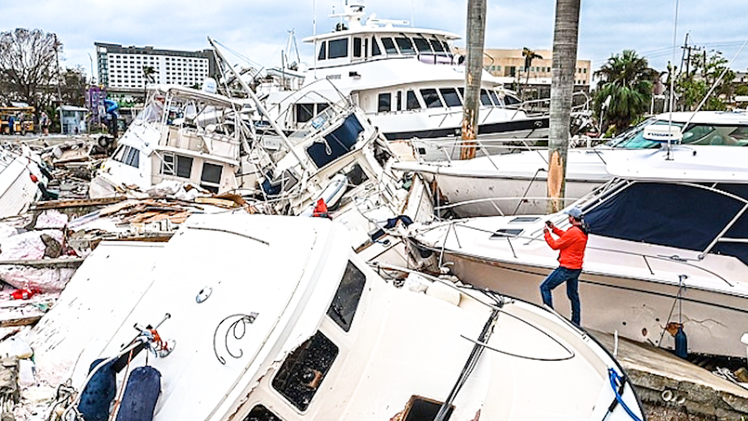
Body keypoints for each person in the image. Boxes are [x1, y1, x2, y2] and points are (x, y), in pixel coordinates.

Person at [540, 207, 589, 326]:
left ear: (572, 218)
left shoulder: (574, 232)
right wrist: (554, 229)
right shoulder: (581, 230)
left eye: (568, 216)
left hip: (567, 268)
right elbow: (566, 236)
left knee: (545, 287)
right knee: (573, 295)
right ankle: (576, 322)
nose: (568, 218)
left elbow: (555, 245)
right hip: (576, 268)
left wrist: (547, 234)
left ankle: (550, 314)